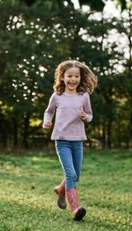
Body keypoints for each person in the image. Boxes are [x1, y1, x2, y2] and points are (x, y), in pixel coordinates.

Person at [42, 60, 97, 221]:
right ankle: (75, 208)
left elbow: (90, 115)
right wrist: (47, 121)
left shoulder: (83, 96)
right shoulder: (57, 96)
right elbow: (48, 111)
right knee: (71, 174)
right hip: (61, 140)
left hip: (78, 140)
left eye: (76, 76)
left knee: (76, 175)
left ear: (80, 78)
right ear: (62, 77)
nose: (73, 79)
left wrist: (85, 117)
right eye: (69, 76)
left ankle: (61, 189)